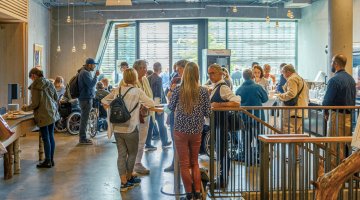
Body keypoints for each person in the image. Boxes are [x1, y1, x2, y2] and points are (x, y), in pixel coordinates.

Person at [102, 68, 155, 192]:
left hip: (117, 128)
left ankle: (123, 183)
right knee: (132, 154)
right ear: (135, 78)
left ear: (124, 77)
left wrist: (111, 108)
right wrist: (140, 104)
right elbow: (151, 103)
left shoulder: (117, 90)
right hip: (131, 128)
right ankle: (129, 177)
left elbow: (104, 100)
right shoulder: (138, 91)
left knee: (121, 155)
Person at [168, 62, 211, 200]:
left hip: (180, 130)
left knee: (184, 164)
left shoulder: (178, 89)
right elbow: (208, 113)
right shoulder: (203, 90)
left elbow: (170, 108)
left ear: (185, 73)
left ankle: (188, 194)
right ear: (197, 74)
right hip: (197, 130)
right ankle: (198, 193)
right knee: (195, 162)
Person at [208, 63, 240, 188]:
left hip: (222, 123)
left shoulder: (223, 87)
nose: (210, 76)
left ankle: (223, 178)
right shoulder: (216, 86)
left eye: (213, 73)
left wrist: (218, 105)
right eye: (209, 73)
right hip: (217, 124)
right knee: (220, 150)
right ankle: (221, 178)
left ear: (220, 73)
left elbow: (236, 102)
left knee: (222, 151)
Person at [22, 68, 59, 168]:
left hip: (43, 114)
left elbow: (35, 104)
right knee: (51, 136)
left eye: (31, 78)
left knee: (45, 138)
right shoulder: (49, 82)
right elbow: (56, 97)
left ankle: (47, 161)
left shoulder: (35, 86)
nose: (32, 80)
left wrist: (25, 108)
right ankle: (51, 160)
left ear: (33, 75)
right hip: (52, 112)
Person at [322, 54, 356, 164]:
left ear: (336, 64)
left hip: (337, 117)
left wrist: (325, 112)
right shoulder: (351, 79)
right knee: (346, 146)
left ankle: (334, 175)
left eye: (332, 61)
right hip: (349, 116)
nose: (331, 64)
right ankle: (346, 173)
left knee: (335, 146)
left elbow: (327, 101)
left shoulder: (334, 80)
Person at [235, 69, 268, 164]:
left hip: (245, 118)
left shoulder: (239, 89)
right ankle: (262, 160)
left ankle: (248, 160)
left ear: (243, 77)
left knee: (246, 141)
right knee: (260, 139)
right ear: (252, 76)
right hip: (257, 117)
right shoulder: (258, 87)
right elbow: (265, 99)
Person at [164, 59, 188, 172]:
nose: (177, 71)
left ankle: (179, 165)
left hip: (180, 116)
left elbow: (169, 101)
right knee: (175, 141)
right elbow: (169, 96)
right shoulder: (177, 80)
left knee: (179, 142)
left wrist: (163, 110)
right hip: (177, 116)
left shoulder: (183, 83)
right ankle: (176, 163)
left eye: (179, 69)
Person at [133, 59, 154, 175]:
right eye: (143, 68)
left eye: (146, 67)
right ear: (136, 69)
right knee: (134, 140)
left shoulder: (145, 79)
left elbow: (148, 94)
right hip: (134, 115)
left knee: (142, 140)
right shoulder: (131, 80)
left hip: (146, 114)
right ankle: (133, 164)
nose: (145, 70)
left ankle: (137, 163)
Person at [146, 62, 171, 149]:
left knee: (150, 125)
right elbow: (158, 94)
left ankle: (148, 143)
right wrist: (158, 108)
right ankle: (164, 142)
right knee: (161, 124)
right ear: (160, 69)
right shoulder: (159, 78)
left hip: (150, 104)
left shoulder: (147, 78)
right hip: (158, 105)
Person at [277, 64, 309, 135]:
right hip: (301, 111)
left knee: (288, 133)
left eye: (283, 73)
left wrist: (280, 96)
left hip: (293, 112)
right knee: (298, 135)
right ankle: (298, 146)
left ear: (288, 72)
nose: (283, 75)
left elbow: (291, 93)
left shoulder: (292, 79)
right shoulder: (300, 78)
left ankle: (293, 147)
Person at [78, 58, 100, 145]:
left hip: (85, 98)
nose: (94, 66)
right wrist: (96, 76)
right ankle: (82, 138)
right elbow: (91, 85)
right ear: (90, 65)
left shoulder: (84, 72)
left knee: (84, 118)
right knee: (84, 119)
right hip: (86, 99)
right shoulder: (85, 73)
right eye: (94, 64)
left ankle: (83, 137)